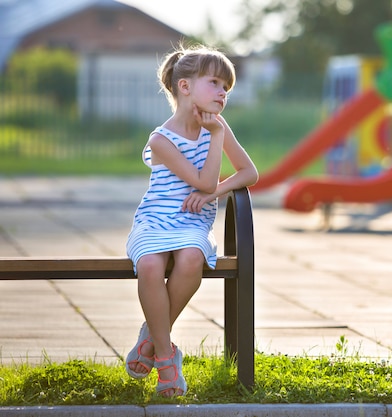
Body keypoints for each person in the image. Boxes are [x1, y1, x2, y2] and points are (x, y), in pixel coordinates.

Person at [124, 44, 258, 397]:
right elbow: (202, 180)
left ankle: (151, 340)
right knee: (151, 266)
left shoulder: (217, 127)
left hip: (191, 223)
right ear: (185, 87)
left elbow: (248, 173)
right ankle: (167, 360)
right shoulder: (161, 139)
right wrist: (214, 141)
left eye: (226, 87)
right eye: (215, 82)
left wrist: (213, 194)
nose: (223, 92)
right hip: (156, 220)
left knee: (192, 258)